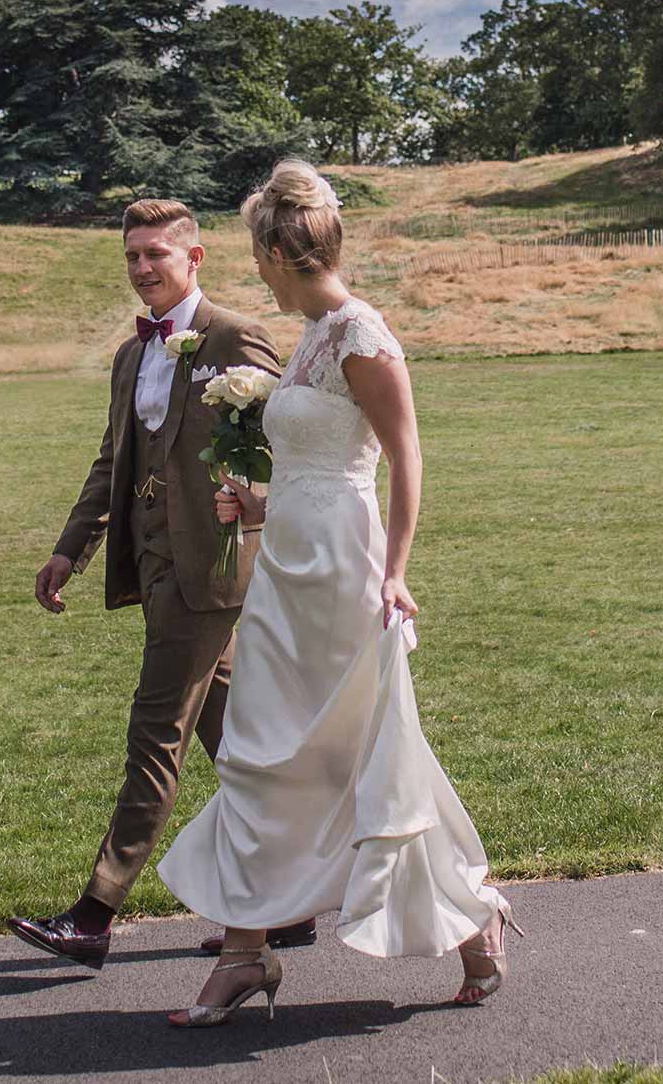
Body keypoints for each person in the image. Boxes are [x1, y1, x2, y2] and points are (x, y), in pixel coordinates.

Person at [155, 160, 518, 1027]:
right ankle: (245, 954)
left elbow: (403, 457)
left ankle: (473, 916)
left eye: (258, 253)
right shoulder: (313, 335)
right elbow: (319, 467)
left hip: (349, 576)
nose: (257, 270)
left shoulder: (361, 333)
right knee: (259, 748)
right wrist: (258, 502)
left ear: (282, 249)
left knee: (367, 757)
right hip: (285, 571)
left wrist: (396, 570)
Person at [8, 200, 286, 970]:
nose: (140, 269)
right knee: (237, 746)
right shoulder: (132, 356)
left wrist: (254, 498)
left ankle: (95, 912)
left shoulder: (233, 336)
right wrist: (72, 549)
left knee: (154, 736)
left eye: (154, 254)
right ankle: (288, 903)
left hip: (214, 572)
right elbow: (114, 462)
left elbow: (290, 440)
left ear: (194, 258)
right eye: (131, 256)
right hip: (155, 567)